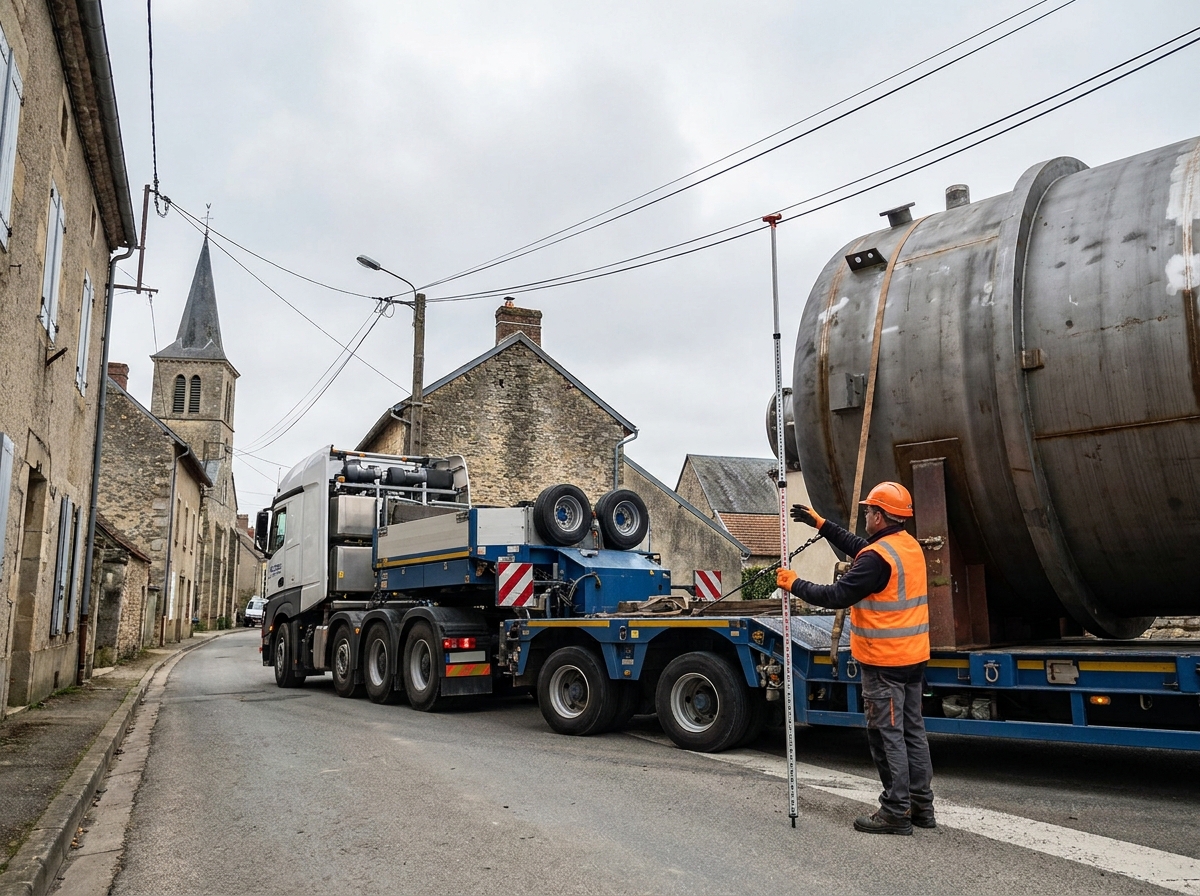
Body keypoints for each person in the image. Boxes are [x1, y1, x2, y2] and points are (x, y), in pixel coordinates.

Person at [776, 481, 934, 836]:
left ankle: (895, 811)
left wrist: (793, 583)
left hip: (884, 663)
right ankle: (921, 806)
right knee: (912, 733)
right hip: (912, 659)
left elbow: (835, 595)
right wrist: (821, 524)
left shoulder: (877, 560)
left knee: (886, 735)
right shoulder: (906, 547)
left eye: (868, 511)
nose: (865, 515)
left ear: (880, 516)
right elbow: (862, 548)